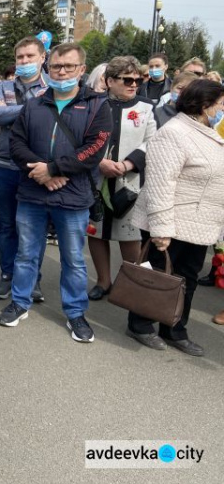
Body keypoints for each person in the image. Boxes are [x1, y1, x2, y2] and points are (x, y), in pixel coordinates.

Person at [0, 43, 112, 343]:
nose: (61, 71)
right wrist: (42, 173)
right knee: (26, 254)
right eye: (57, 66)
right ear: (48, 67)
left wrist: (55, 169)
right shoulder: (34, 104)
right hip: (33, 192)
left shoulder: (98, 105)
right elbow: (16, 144)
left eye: (69, 66)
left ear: (82, 70)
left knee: (73, 258)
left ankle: (75, 313)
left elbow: (94, 149)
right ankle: (20, 302)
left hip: (73, 197)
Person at [127, 79, 224, 356]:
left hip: (198, 224)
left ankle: (175, 330)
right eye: (220, 103)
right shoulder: (174, 132)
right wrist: (160, 228)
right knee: (156, 277)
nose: (222, 108)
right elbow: (160, 183)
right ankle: (140, 325)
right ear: (205, 105)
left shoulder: (207, 131)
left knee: (186, 280)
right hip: (171, 223)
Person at [86, 57, 156, 301]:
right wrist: (100, 162)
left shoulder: (147, 108)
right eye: (127, 79)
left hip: (131, 183)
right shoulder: (94, 105)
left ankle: (132, 285)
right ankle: (103, 281)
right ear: (109, 81)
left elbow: (152, 142)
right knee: (96, 233)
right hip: (96, 181)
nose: (134, 84)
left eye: (138, 79)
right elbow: (82, 139)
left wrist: (128, 164)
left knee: (130, 235)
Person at [0, 36, 49, 301]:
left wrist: (14, 111)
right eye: (20, 57)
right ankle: (7, 275)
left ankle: (33, 279)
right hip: (3, 166)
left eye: (30, 57)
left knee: (33, 227)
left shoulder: (53, 88)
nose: (24, 61)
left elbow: (48, 119)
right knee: (7, 227)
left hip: (36, 168)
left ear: (42, 58)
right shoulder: (3, 86)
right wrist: (33, 107)